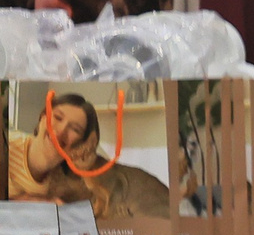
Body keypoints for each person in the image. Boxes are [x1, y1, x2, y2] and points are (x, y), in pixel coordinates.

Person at [10, 91, 171, 218]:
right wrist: (32, 202)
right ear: (43, 117)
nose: (61, 130)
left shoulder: (66, 172)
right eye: (57, 117)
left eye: (75, 129)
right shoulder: (9, 147)